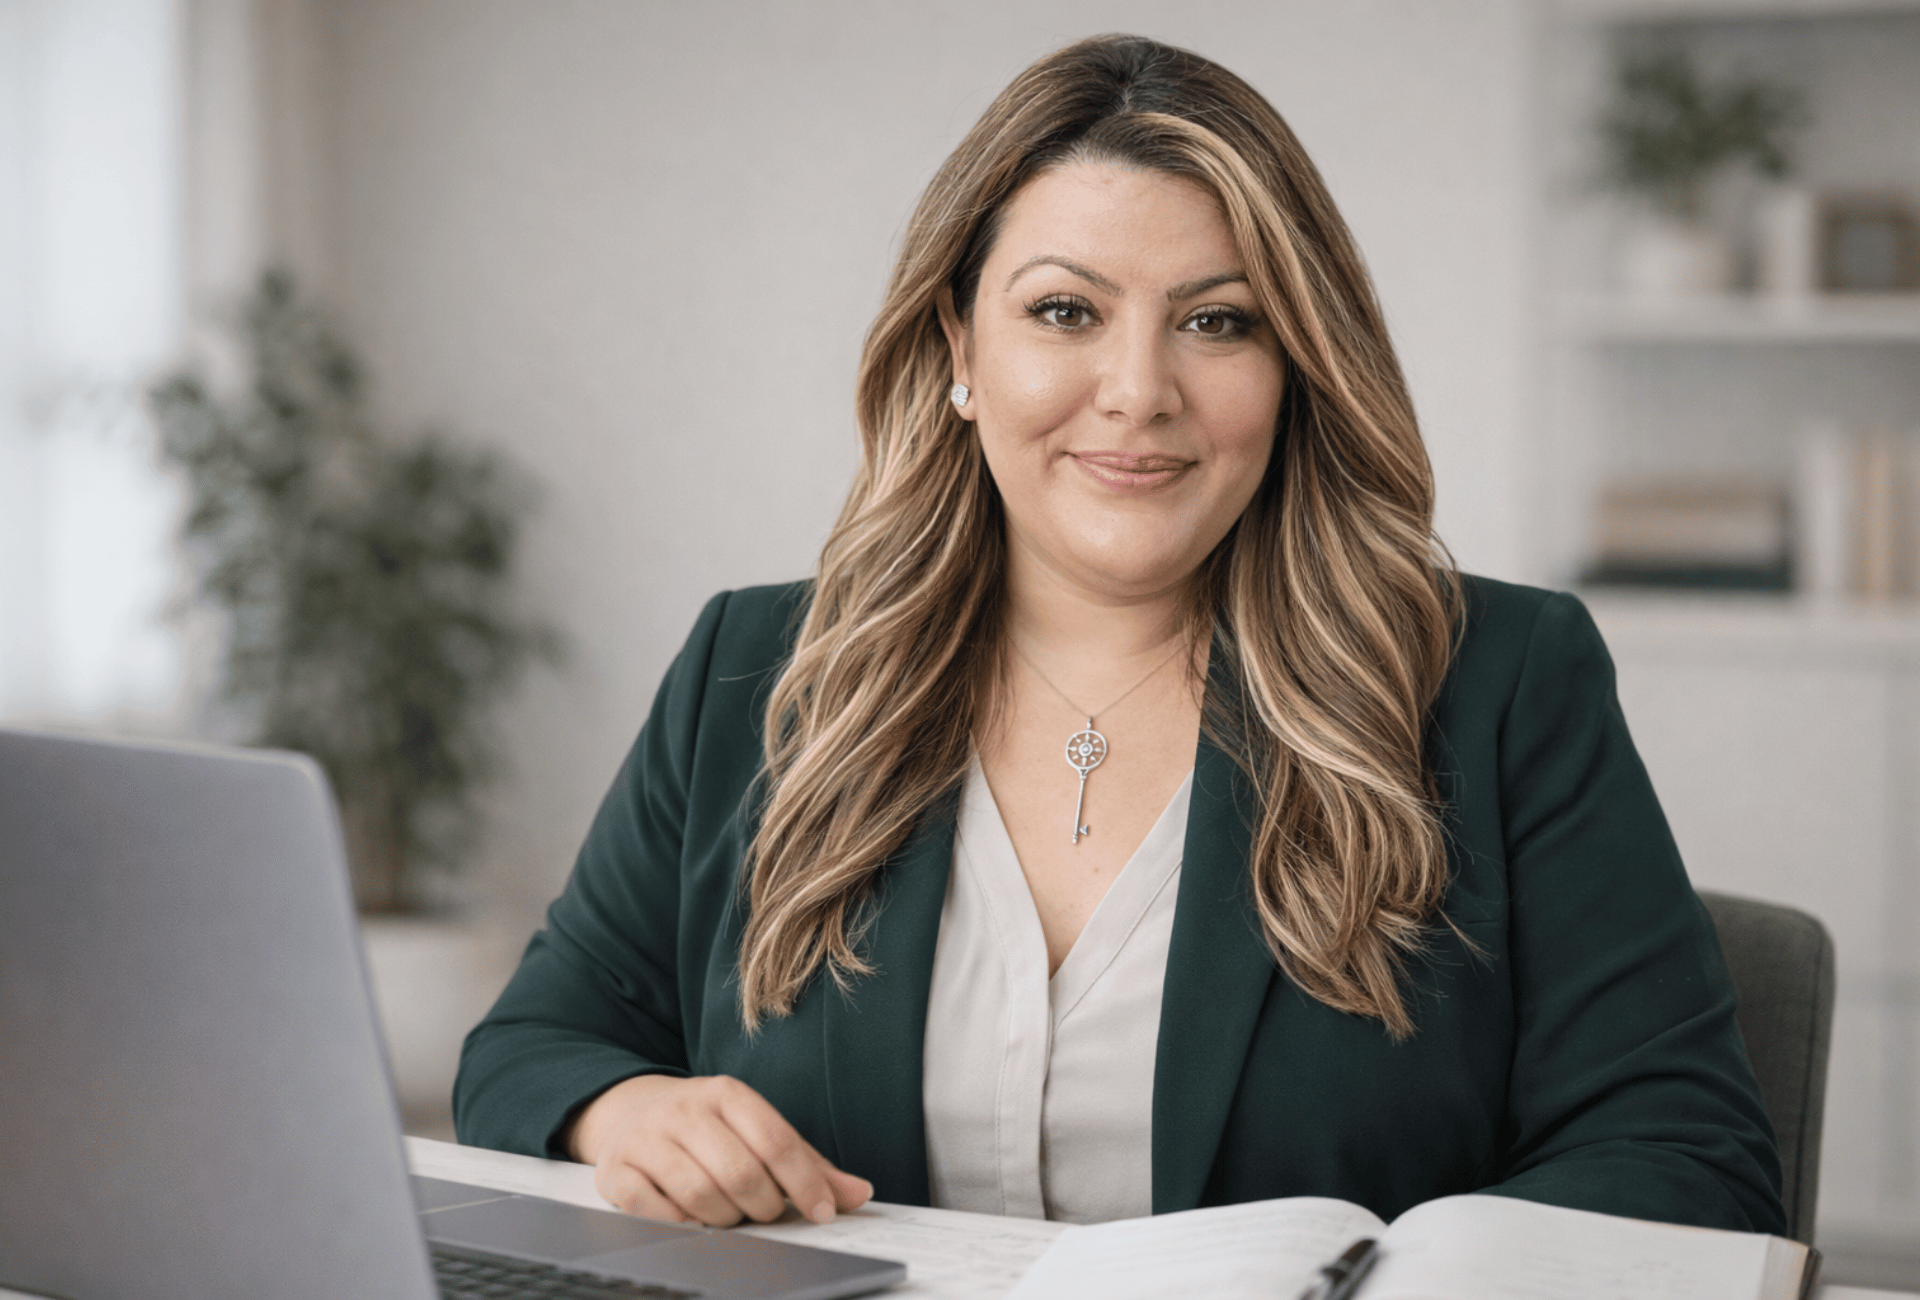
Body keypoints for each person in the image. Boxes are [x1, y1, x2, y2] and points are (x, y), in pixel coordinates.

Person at [454, 34, 1784, 1237]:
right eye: (1064, 312)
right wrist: (620, 1112)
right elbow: (535, 1046)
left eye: (1217, 322)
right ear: (959, 350)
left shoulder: (1499, 683)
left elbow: (1682, 1159)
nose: (1139, 392)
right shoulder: (755, 675)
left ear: (1296, 367)